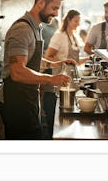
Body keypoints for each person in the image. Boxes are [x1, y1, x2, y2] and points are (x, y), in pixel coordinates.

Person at [0, 0, 72, 140]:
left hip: (27, 97)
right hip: (16, 101)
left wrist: (53, 63)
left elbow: (30, 59)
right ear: (40, 3)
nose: (56, 13)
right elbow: (17, 71)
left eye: (58, 9)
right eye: (54, 8)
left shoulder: (36, 27)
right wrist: (51, 79)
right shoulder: (22, 29)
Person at [42, 9, 90, 138]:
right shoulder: (60, 36)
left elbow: (75, 61)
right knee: (53, 119)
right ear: (68, 20)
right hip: (55, 84)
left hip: (69, 83)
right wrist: (62, 61)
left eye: (79, 21)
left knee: (64, 120)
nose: (78, 24)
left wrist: (90, 58)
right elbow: (48, 56)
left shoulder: (74, 36)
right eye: (75, 21)